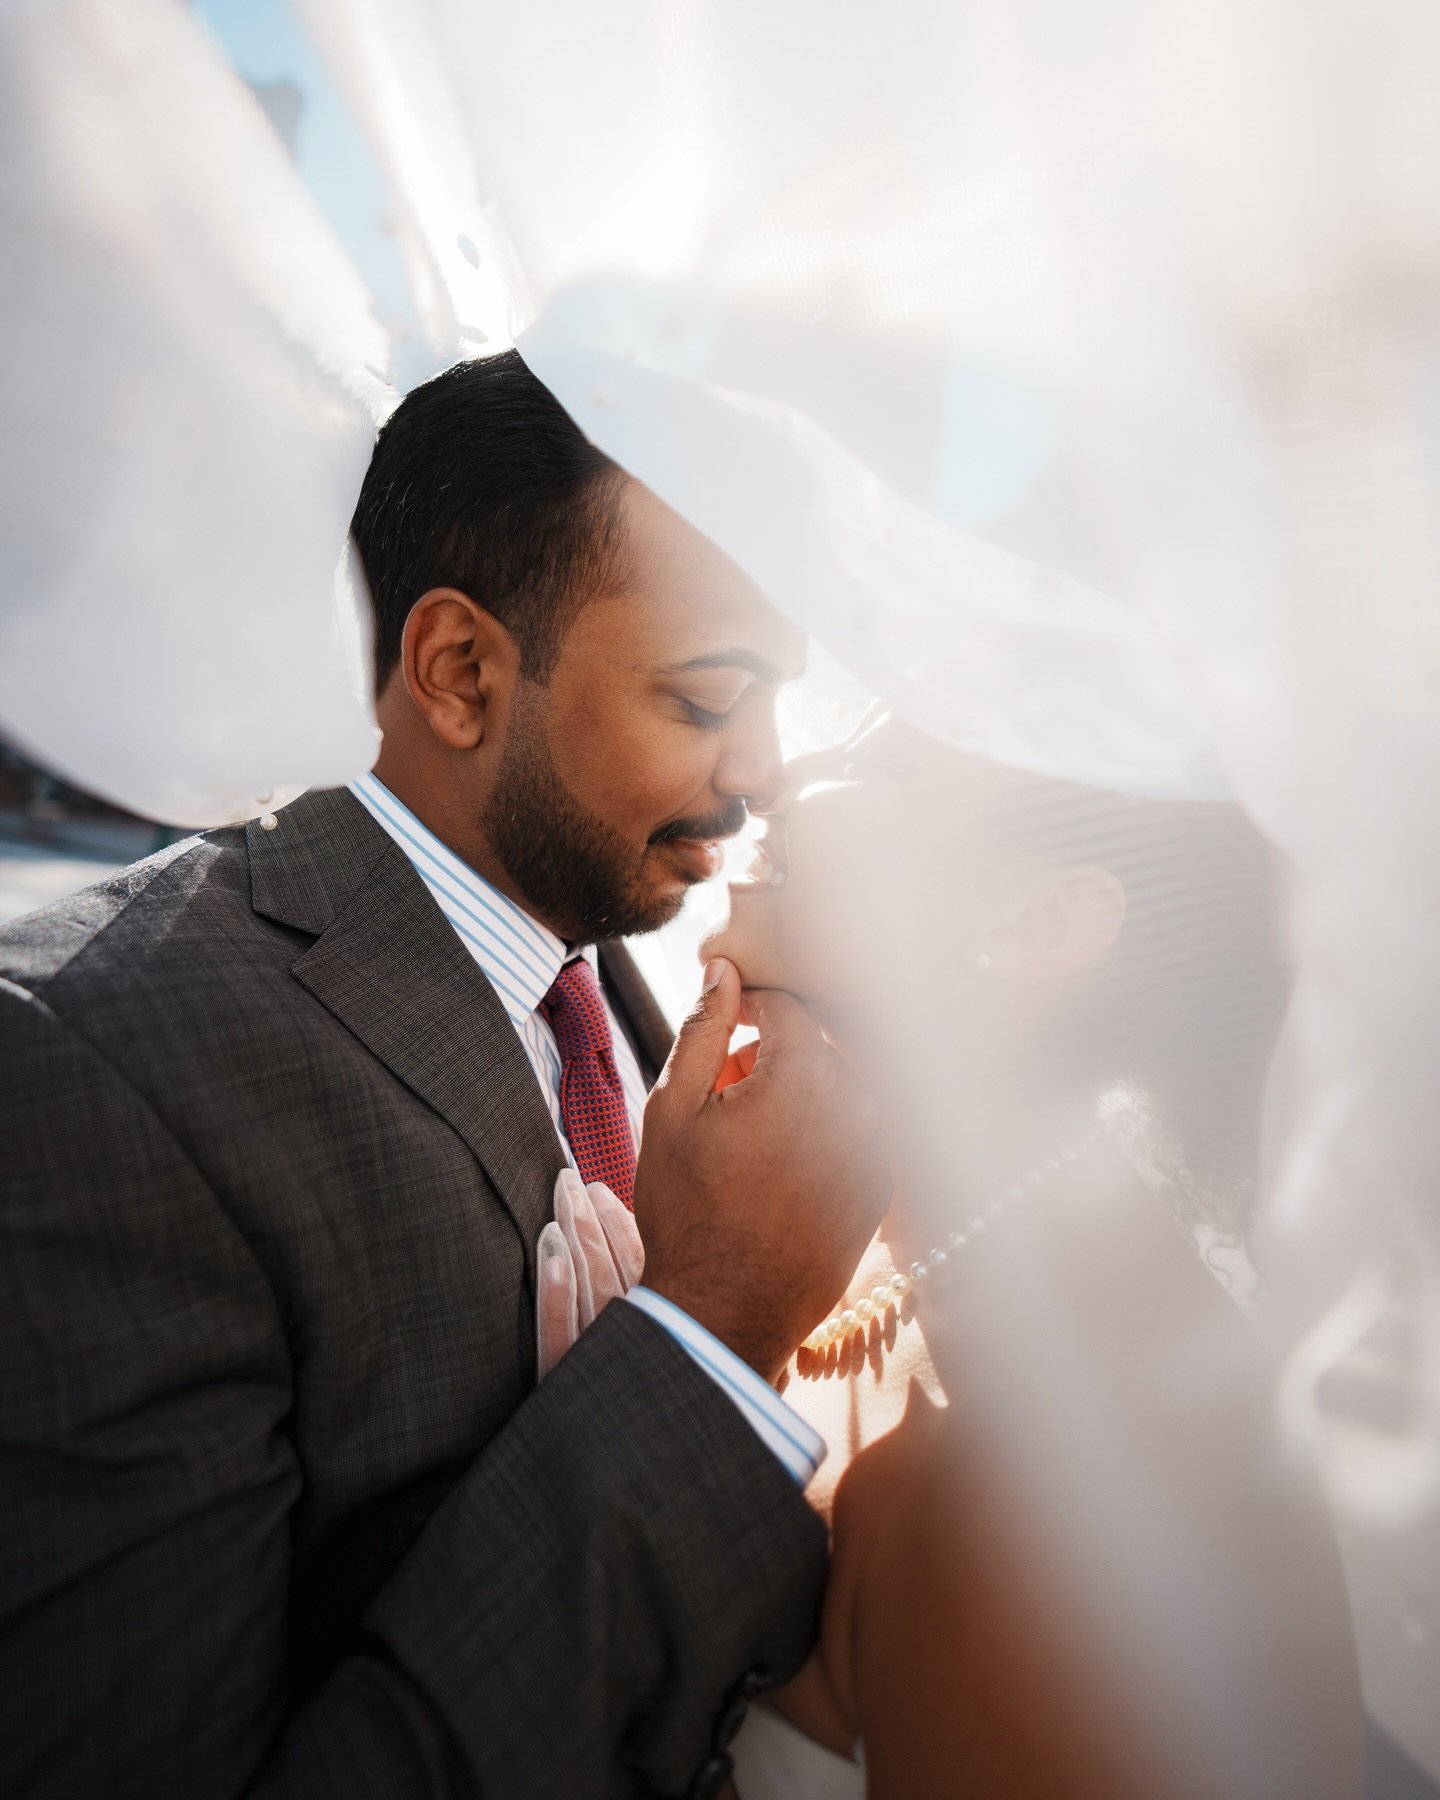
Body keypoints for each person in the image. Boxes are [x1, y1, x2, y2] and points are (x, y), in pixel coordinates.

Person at [0, 353, 891, 1799]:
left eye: (781, 698)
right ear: (462, 671)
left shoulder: (620, 979)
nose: (770, 769)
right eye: (711, 695)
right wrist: (711, 1333)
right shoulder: (90, 1064)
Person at [701, 711, 1366, 1799]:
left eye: (886, 754)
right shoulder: (882, 1254)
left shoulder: (1045, 1483)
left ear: (1044, 921)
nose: (786, 772)